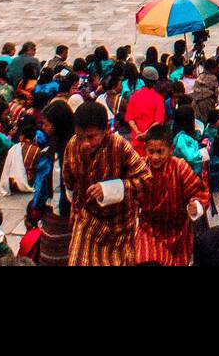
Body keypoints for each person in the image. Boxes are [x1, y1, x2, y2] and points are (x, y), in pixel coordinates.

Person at [62, 100, 152, 266]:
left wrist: (110, 189)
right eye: (81, 137)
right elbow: (68, 181)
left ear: (106, 131)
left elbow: (145, 178)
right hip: (87, 220)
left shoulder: (119, 146)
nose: (86, 143)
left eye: (91, 137)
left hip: (119, 226)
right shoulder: (73, 145)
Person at [134, 123, 209, 265]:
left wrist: (196, 205)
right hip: (149, 230)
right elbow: (129, 190)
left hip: (178, 231)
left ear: (171, 150)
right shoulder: (141, 168)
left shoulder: (180, 167)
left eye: (160, 152)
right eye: (151, 151)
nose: (155, 157)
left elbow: (199, 191)